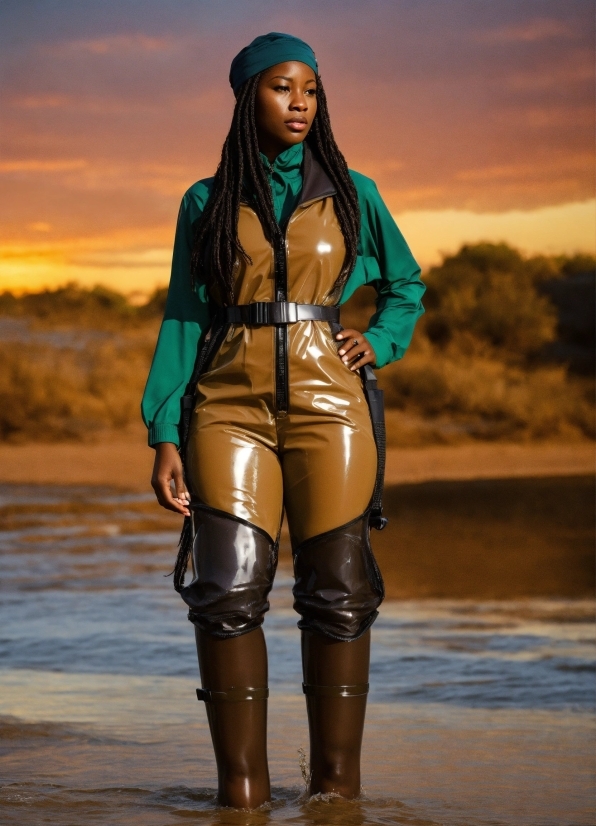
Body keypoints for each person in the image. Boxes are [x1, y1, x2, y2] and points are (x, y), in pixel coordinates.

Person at [141, 32, 425, 809]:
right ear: (247, 98)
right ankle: (242, 799)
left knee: (339, 592)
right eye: (281, 88)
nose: (300, 102)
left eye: (310, 88)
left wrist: (384, 340)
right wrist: (164, 429)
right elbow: (184, 316)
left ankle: (337, 798)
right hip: (225, 411)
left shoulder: (353, 191)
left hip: (333, 408)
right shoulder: (204, 201)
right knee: (227, 592)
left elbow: (406, 283)